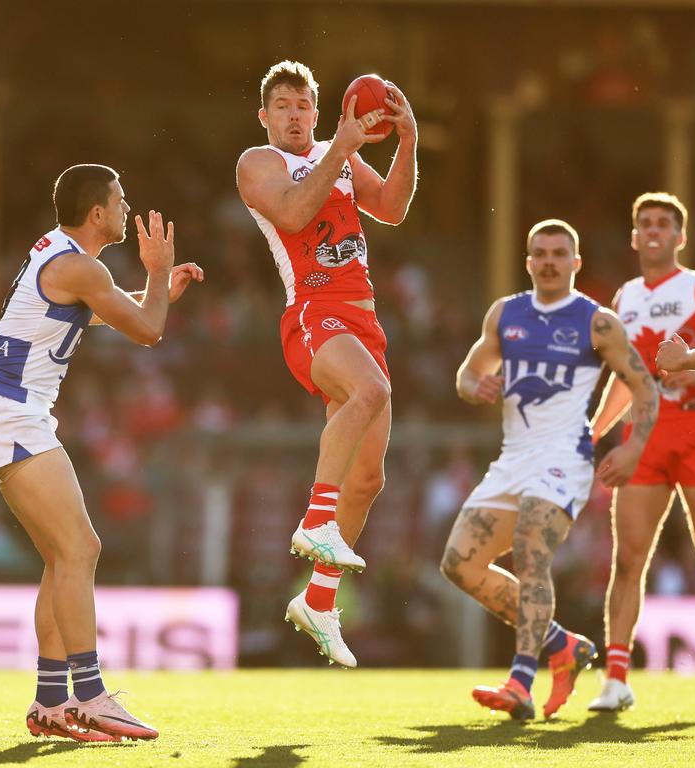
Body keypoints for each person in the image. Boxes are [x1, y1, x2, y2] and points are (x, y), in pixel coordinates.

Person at [0, 164, 202, 742]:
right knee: (82, 549)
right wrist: (158, 273)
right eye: (120, 200)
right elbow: (148, 332)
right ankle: (91, 696)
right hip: (12, 414)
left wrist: (156, 293)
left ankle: (50, 703)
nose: (126, 208)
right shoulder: (79, 266)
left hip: (7, 413)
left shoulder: (62, 257)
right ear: (98, 212)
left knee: (61, 557)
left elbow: (110, 313)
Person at [235, 60, 417, 666]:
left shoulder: (337, 155)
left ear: (320, 111)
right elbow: (290, 213)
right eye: (283, 105)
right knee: (370, 392)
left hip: (364, 319)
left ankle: (317, 600)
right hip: (313, 310)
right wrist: (340, 147)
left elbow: (391, 208)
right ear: (264, 116)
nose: (294, 115)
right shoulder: (259, 163)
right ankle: (315, 520)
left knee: (368, 480)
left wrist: (408, 140)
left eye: (304, 105)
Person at [441, 219, 658, 720]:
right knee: (459, 564)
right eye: (540, 253)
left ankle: (521, 680)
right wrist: (474, 386)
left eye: (559, 253)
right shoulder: (506, 314)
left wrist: (632, 448)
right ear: (528, 262)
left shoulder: (596, 321)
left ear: (575, 263)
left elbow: (643, 386)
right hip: (514, 457)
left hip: (565, 457)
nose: (549, 262)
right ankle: (562, 645)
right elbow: (469, 372)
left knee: (530, 549)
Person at [588, 192, 695, 711]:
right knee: (628, 557)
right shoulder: (626, 297)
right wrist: (593, 430)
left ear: (680, 236)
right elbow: (626, 376)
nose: (653, 231)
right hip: (647, 437)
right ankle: (616, 678)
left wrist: (684, 362)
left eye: (663, 223)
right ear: (634, 237)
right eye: (644, 223)